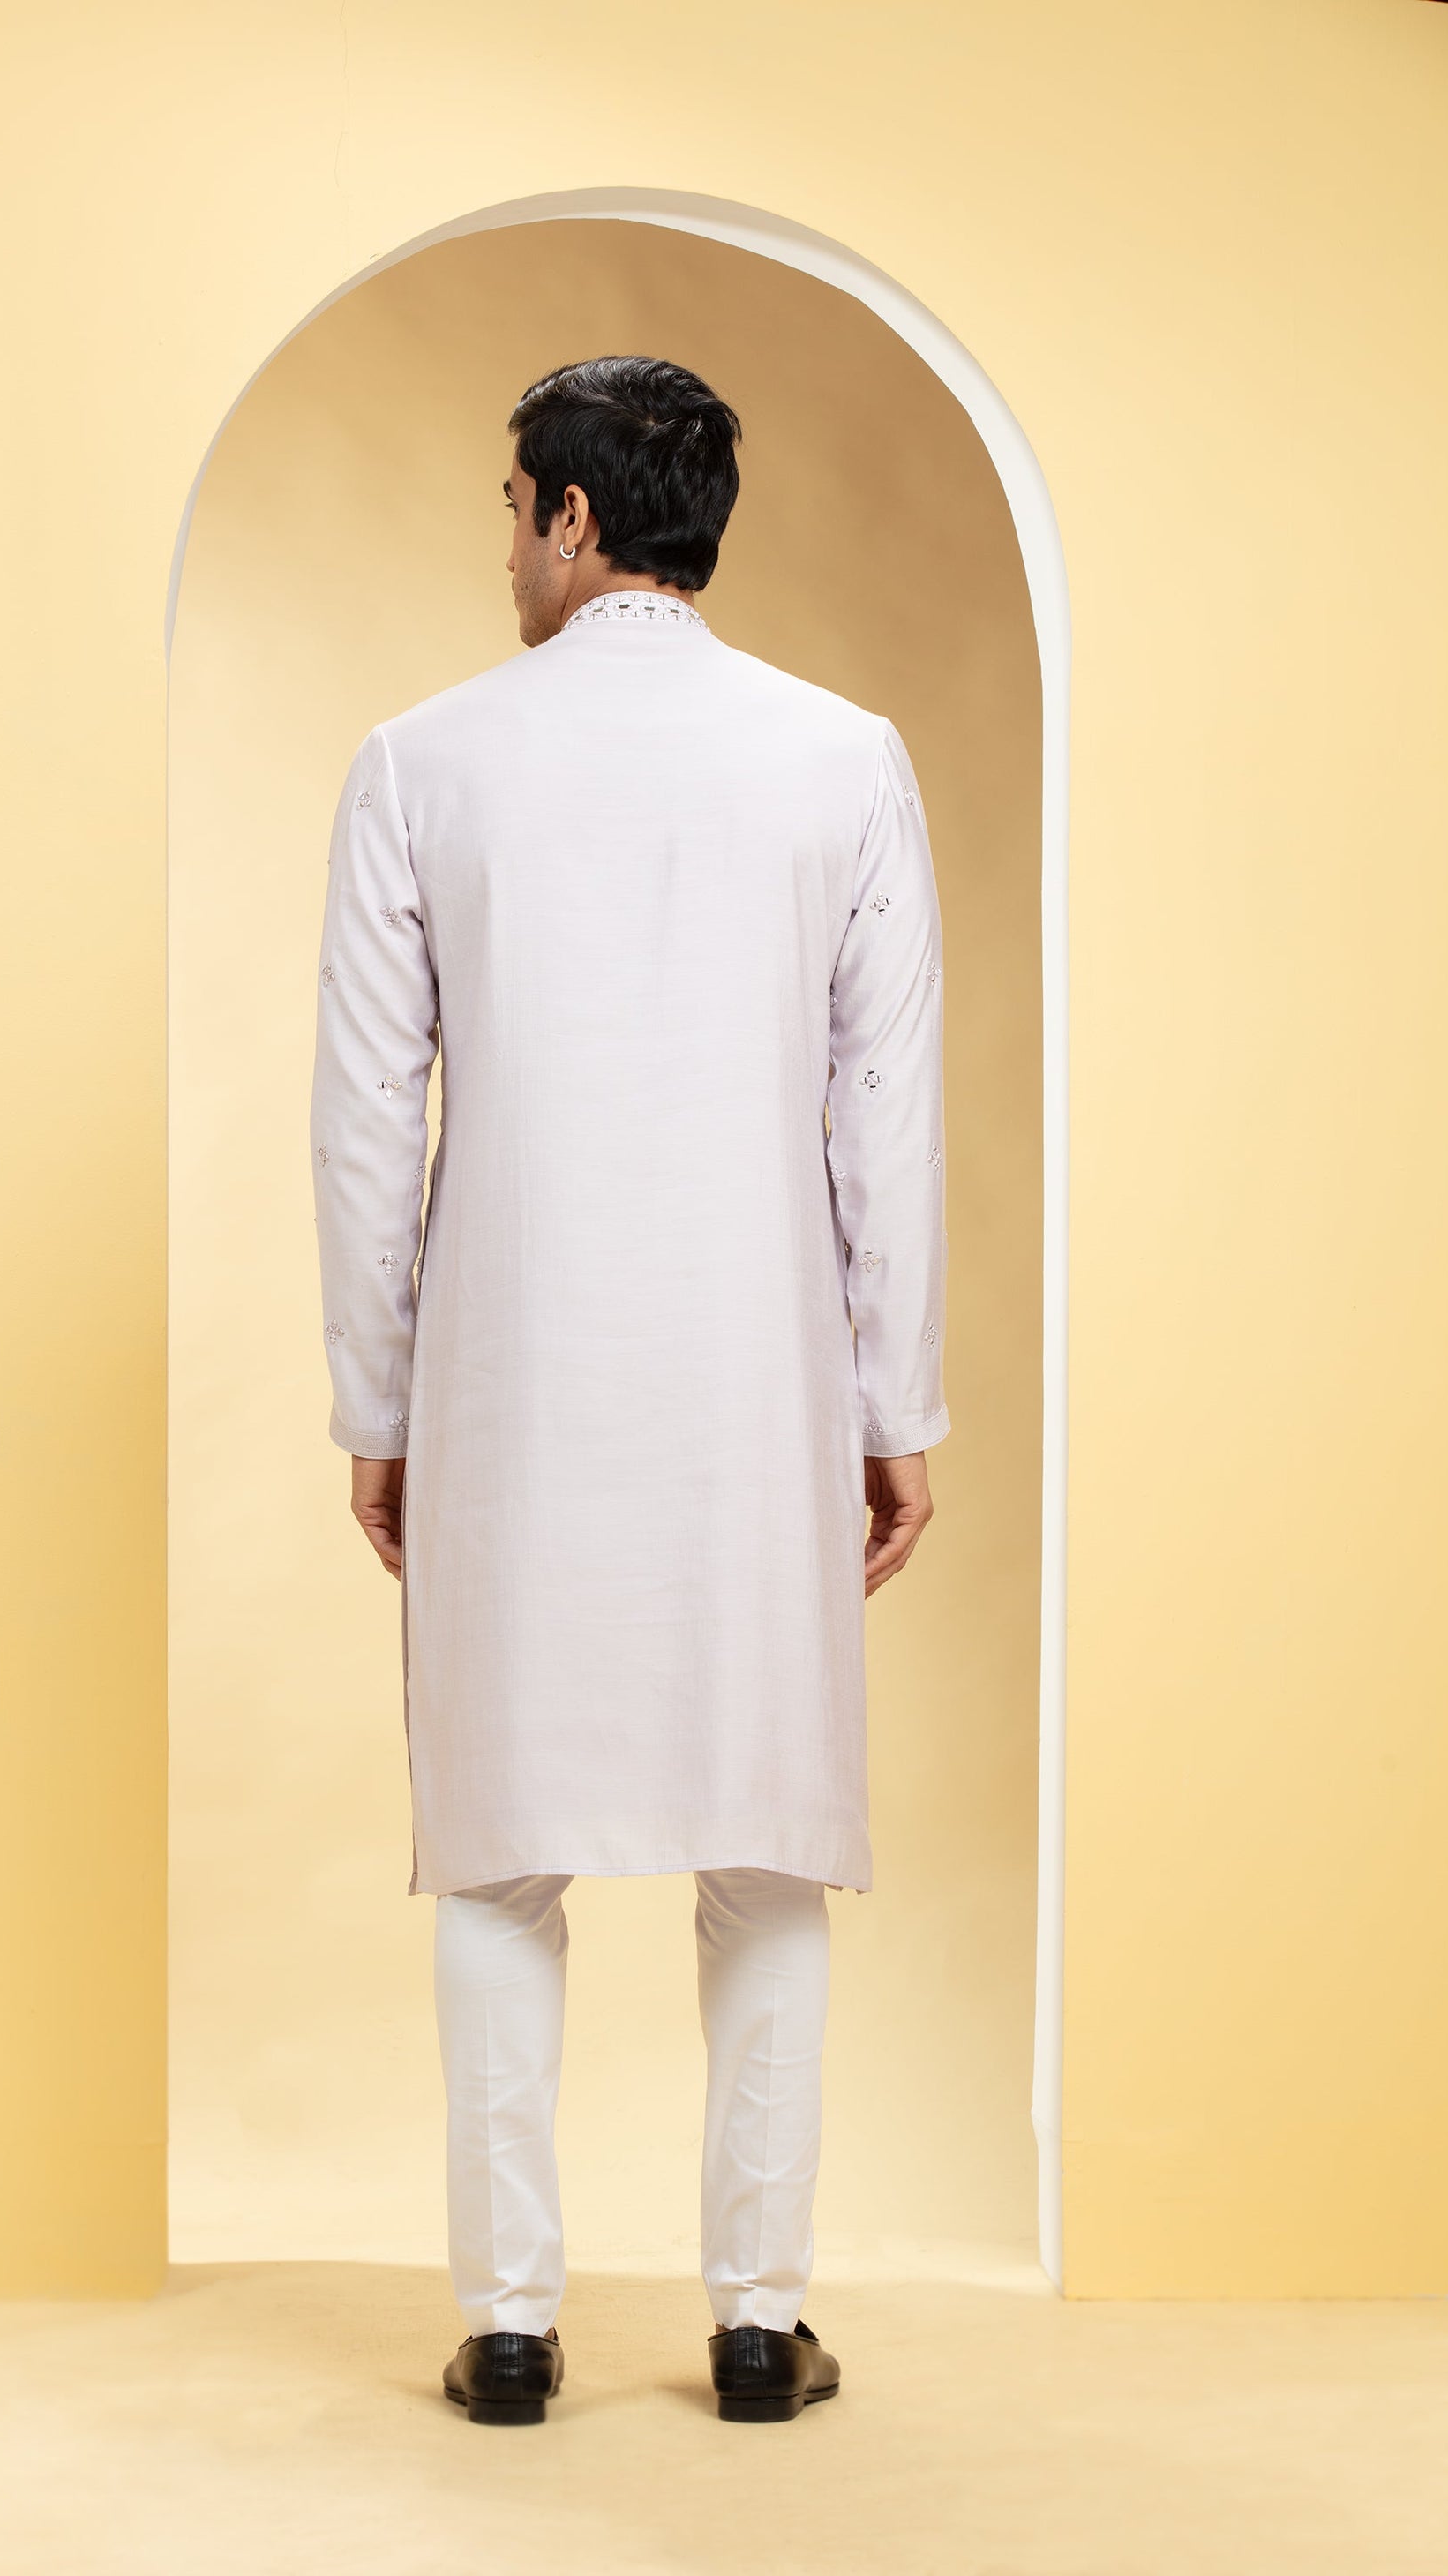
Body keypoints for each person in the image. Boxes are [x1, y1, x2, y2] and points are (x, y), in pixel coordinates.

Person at [309, 354, 949, 2427]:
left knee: (501, 1842)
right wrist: (893, 1402)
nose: (505, 544)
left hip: (509, 1373)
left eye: (514, 507)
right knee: (767, 1838)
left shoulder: (422, 760)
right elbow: (884, 1115)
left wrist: (379, 1402)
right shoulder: (842, 757)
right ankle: (758, 2322)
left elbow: (363, 1119)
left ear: (574, 518)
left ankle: (509, 2324)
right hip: (760, 1379)